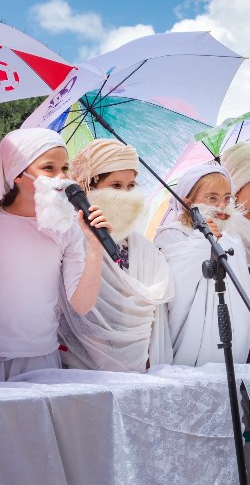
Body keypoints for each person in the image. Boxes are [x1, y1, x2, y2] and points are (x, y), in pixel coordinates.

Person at [0, 128, 110, 381]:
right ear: (18, 173)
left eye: (65, 169)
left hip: (43, 359)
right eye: (49, 168)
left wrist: (95, 247)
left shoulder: (69, 226)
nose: (61, 178)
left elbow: (81, 305)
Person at [59, 139, 174, 372]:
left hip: (138, 364)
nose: (126, 195)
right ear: (89, 188)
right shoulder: (69, 236)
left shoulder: (141, 245)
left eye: (131, 186)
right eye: (116, 186)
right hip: (80, 365)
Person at [154, 165, 250, 366]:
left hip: (228, 334)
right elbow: (174, 288)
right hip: (185, 336)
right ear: (188, 203)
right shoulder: (171, 235)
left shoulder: (232, 239)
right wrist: (201, 243)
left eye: (227, 198)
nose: (221, 206)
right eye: (212, 198)